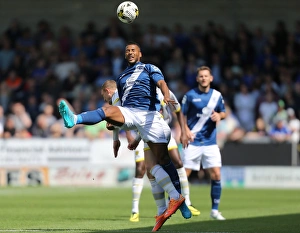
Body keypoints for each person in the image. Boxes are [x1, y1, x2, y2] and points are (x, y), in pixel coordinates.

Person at [58, 41, 191, 232]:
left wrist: (167, 94)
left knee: (162, 162)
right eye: (127, 50)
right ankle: (74, 118)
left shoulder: (149, 68)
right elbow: (117, 107)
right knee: (106, 111)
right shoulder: (121, 78)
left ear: (140, 54)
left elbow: (161, 83)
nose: (129, 52)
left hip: (150, 117)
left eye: (133, 50)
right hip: (130, 114)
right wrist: (115, 136)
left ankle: (178, 201)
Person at [181, 65, 226, 220]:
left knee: (216, 174)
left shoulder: (217, 96)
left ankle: (214, 210)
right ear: (197, 78)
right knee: (184, 175)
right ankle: (176, 202)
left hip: (210, 142)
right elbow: (181, 113)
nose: (203, 78)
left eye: (206, 76)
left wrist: (220, 116)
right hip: (193, 140)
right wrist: (184, 130)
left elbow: (224, 112)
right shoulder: (190, 95)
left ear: (211, 78)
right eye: (201, 76)